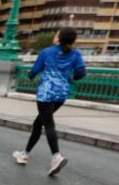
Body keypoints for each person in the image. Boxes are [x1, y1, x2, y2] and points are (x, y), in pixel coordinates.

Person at [14, 27, 85, 176]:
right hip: (62, 94)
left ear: (59, 38)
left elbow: (34, 71)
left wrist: (30, 77)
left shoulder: (47, 52)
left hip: (46, 93)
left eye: (57, 34)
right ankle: (24, 154)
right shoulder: (76, 54)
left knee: (48, 124)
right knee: (38, 123)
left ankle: (56, 156)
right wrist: (69, 79)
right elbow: (81, 73)